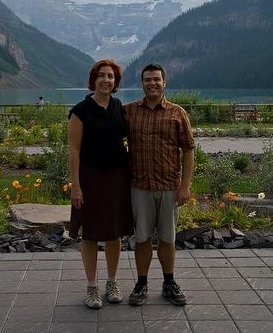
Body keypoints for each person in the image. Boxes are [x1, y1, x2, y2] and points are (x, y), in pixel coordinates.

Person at [124, 63, 195, 306]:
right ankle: (141, 283)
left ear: (164, 82)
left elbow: (188, 149)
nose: (152, 83)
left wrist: (185, 186)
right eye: (147, 80)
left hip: (169, 187)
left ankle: (169, 283)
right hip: (139, 187)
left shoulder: (177, 113)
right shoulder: (129, 112)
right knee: (141, 237)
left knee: (167, 238)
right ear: (141, 83)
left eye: (156, 79)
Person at [68, 59, 133, 310]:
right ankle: (92, 287)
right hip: (90, 177)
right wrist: (76, 184)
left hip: (117, 176)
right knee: (91, 233)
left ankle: (112, 282)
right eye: (101, 76)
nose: (106, 80)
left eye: (111, 77)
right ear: (93, 80)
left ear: (115, 83)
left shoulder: (119, 108)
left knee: (115, 232)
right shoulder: (80, 111)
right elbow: (74, 150)